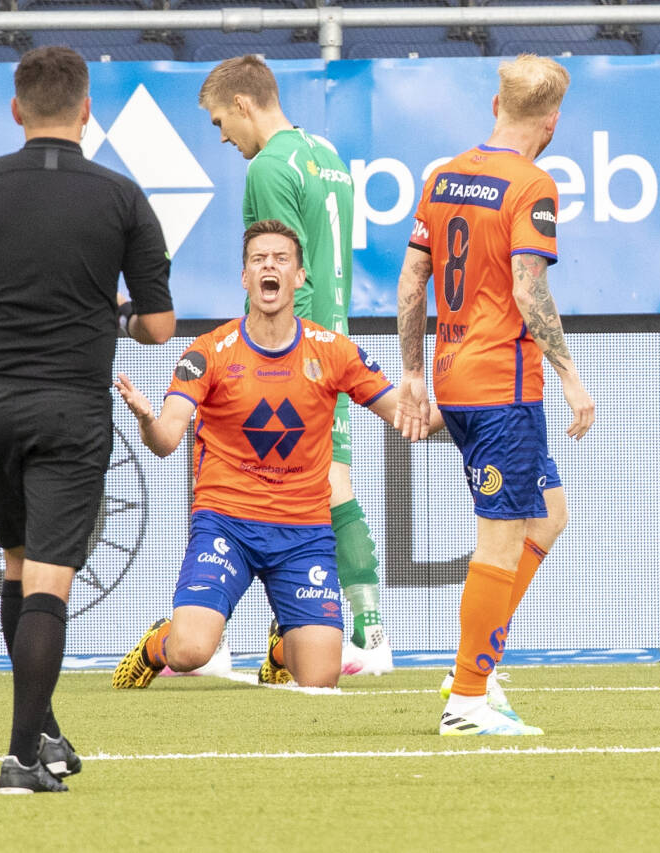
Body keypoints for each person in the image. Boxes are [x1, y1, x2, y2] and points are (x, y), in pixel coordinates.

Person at [0, 46, 176, 794]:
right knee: (49, 585)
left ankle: (45, 730)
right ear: (87, 112)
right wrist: (104, 320)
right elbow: (158, 326)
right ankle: (22, 758)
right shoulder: (122, 196)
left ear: (17, 109)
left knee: (19, 569)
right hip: (72, 406)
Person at [112, 220, 427, 691]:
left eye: (281, 259)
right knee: (191, 652)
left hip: (304, 531)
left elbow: (409, 418)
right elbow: (166, 441)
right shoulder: (209, 352)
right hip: (227, 522)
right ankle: (160, 643)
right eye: (259, 260)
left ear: (299, 278)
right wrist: (145, 419)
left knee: (319, 681)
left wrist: (472, 408)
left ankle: (281, 646)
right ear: (245, 278)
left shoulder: (334, 351)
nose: (269, 267)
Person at [394, 55, 595, 736]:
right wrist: (570, 377)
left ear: (493, 105)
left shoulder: (445, 175)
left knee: (550, 515)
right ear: (551, 121)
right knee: (500, 542)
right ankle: (469, 700)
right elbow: (528, 289)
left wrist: (413, 372)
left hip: (453, 375)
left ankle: (475, 665)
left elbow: (412, 279)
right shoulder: (532, 183)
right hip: (502, 387)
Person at [196, 56, 394, 678]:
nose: (223, 135)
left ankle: (218, 632)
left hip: (289, 354)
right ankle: (362, 631)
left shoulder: (269, 168)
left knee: (231, 474)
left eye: (221, 119)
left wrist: (273, 352)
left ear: (246, 104)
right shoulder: (327, 154)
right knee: (331, 482)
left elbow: (274, 276)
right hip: (334, 342)